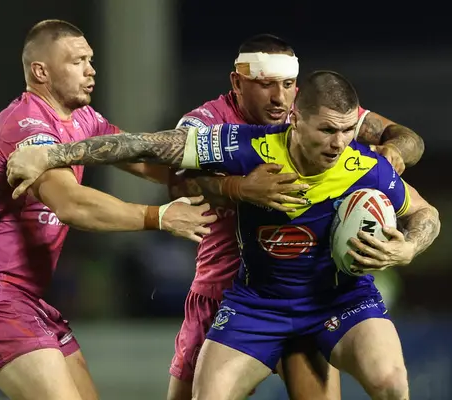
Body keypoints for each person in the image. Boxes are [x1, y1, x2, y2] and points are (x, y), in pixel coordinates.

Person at [5, 71, 440, 400]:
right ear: (297, 120)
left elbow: (425, 214)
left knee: (391, 383)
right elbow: (149, 146)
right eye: (327, 130)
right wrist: (52, 154)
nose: (339, 142)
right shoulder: (247, 146)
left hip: (341, 300)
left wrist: (408, 248)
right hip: (257, 305)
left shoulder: (367, 166)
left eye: (347, 130)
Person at [0, 19, 218, 400]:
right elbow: (71, 204)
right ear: (41, 71)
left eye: (91, 60)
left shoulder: (85, 120)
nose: (91, 70)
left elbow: (146, 160)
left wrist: (230, 182)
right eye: (77, 61)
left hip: (24, 299)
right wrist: (159, 216)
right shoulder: (27, 127)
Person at [165, 34, 425, 400]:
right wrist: (237, 189)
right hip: (225, 286)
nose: (279, 97)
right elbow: (179, 186)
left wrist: (392, 154)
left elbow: (407, 137)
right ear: (237, 83)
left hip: (308, 285)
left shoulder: (311, 116)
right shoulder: (206, 124)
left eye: (288, 85)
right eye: (265, 84)